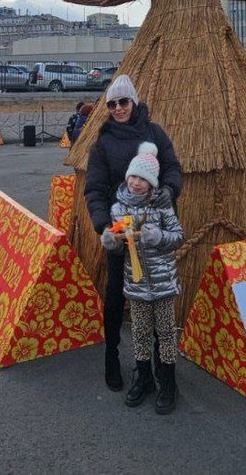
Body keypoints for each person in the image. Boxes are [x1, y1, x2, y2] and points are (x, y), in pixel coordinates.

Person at [85, 74, 182, 392]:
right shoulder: (103, 141)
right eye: (111, 104)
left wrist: (169, 189)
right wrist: (104, 227)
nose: (117, 108)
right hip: (120, 231)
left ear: (134, 102)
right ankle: (112, 358)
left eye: (123, 102)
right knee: (116, 295)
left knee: (159, 297)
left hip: (154, 231)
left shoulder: (154, 132)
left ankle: (161, 372)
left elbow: (172, 167)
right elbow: (95, 189)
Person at [100, 143, 184, 414]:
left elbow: (178, 237)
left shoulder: (162, 206)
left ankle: (168, 382)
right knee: (139, 332)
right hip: (135, 283)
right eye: (133, 177)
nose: (136, 183)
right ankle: (144, 377)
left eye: (142, 179)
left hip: (162, 282)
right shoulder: (117, 209)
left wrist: (158, 238)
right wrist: (109, 240)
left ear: (151, 184)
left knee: (166, 333)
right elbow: (117, 246)